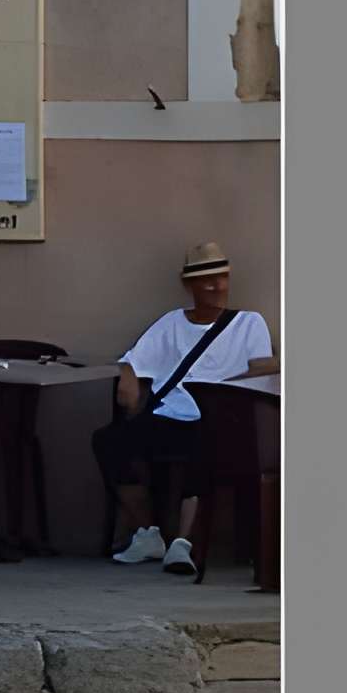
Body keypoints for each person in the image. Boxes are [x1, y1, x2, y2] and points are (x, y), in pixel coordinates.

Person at [96, 241, 276, 576]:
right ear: (188, 285)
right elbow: (133, 359)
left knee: (204, 445)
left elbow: (261, 369)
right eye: (206, 279)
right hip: (170, 415)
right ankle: (147, 533)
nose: (215, 286)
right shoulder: (171, 324)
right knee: (110, 441)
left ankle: (184, 543)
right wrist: (127, 376)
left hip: (222, 418)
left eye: (221, 277)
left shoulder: (249, 323)